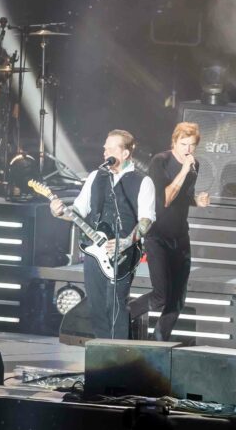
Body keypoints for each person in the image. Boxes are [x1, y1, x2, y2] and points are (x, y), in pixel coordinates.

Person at [49, 130, 155, 339]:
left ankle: (119, 352)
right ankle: (101, 351)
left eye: (110, 148)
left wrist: (126, 241)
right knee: (96, 305)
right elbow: (78, 211)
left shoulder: (143, 181)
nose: (105, 152)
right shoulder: (95, 177)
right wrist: (59, 212)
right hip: (94, 250)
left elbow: (146, 220)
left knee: (115, 305)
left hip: (124, 253)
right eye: (105, 148)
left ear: (125, 153)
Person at [129, 122, 210, 341]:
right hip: (158, 235)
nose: (188, 150)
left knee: (177, 299)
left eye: (192, 145)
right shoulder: (160, 161)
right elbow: (165, 199)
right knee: (161, 295)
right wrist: (183, 170)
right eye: (184, 144)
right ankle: (123, 316)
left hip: (180, 236)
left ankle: (159, 341)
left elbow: (184, 196)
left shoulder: (195, 164)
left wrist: (197, 200)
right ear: (174, 142)